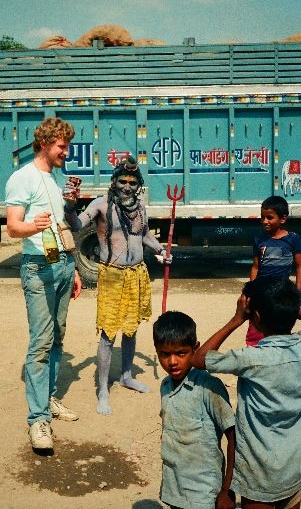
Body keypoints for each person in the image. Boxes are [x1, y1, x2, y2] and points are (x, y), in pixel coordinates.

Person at [64, 156, 171, 415]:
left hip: (137, 274)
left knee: (131, 329)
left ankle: (126, 375)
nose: (127, 187)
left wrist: (161, 250)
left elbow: (143, 234)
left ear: (138, 185)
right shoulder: (101, 205)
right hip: (112, 275)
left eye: (132, 183)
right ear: (114, 182)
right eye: (122, 181)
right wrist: (69, 206)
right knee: (108, 335)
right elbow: (77, 224)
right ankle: (103, 390)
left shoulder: (140, 207)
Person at [5, 117, 82, 451]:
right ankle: (38, 420)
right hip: (37, 267)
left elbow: (60, 226)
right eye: (62, 146)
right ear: (45, 144)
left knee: (58, 336)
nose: (66, 151)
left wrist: (73, 269)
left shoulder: (54, 178)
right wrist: (31, 228)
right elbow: (12, 227)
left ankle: (49, 398)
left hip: (60, 262)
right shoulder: (22, 178)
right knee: (40, 342)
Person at [192, 277, 301, 509]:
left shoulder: (250, 358)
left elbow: (199, 358)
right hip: (295, 467)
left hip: (260, 472)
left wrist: (236, 319)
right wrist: (292, 310)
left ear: (256, 318)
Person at [153, 310, 236, 509]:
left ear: (195, 349)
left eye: (181, 353)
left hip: (203, 492)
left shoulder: (208, 387)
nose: (172, 361)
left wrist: (227, 490)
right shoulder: (165, 385)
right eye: (165, 354)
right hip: (174, 488)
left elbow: (234, 438)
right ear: (156, 350)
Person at [246, 195, 301, 346]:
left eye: (269, 217)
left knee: (279, 327)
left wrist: (298, 292)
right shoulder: (259, 240)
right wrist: (251, 291)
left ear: (282, 219)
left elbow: (299, 266)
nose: (265, 221)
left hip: (281, 292)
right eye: (263, 217)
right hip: (262, 291)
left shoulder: (293, 240)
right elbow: (255, 267)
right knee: (255, 331)